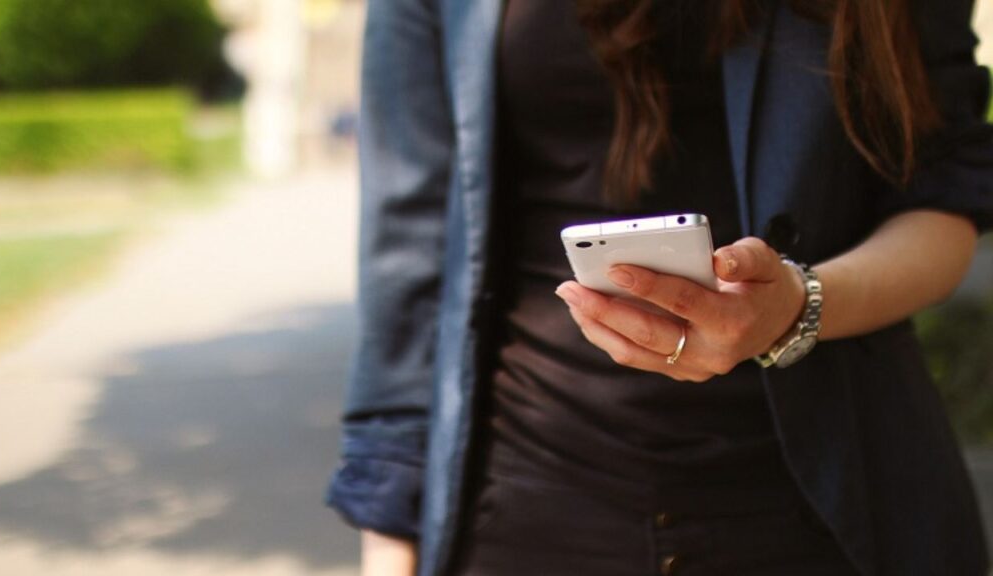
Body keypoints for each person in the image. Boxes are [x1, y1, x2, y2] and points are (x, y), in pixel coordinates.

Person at [326, 0, 993, 575]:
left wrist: (797, 307)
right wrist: (390, 543)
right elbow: (409, 261)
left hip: (831, 507)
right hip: (521, 507)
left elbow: (945, 197)